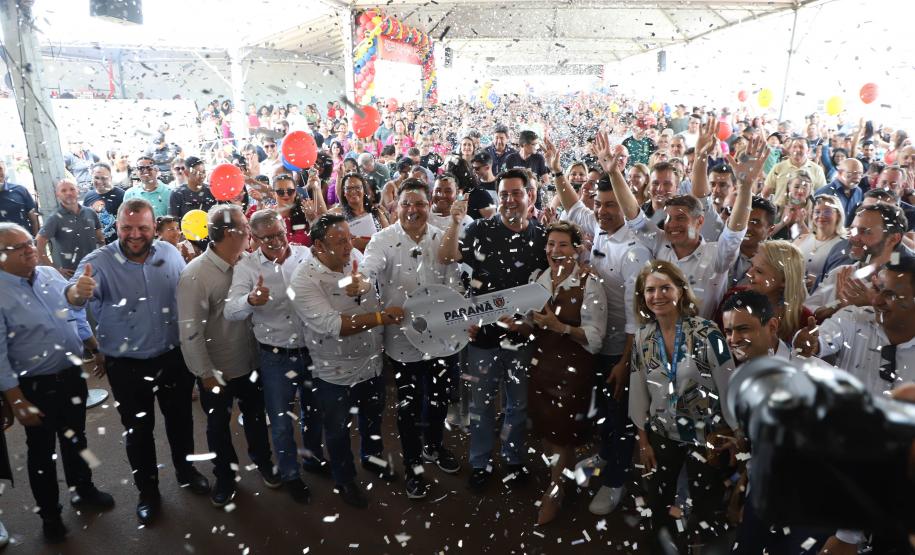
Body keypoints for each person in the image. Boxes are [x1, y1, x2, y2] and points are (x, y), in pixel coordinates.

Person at [66, 198, 209, 526]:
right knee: (138, 432)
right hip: (126, 366)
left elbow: (186, 298)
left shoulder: (170, 253)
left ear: (154, 227)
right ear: (116, 226)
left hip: (173, 358)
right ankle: (148, 491)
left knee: (181, 421)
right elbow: (72, 300)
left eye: (142, 228)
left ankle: (186, 471)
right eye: (126, 227)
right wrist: (76, 293)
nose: (134, 234)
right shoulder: (97, 263)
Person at [548, 140, 651, 516]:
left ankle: (615, 482)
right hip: (593, 342)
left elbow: (636, 316)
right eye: (600, 205)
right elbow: (573, 206)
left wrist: (624, 362)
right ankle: (605, 460)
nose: (602, 211)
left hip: (619, 351)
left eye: (612, 205)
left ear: (625, 206)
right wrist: (557, 170)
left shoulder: (635, 250)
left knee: (620, 418)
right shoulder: (599, 229)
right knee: (601, 415)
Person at [0, 223, 114, 543]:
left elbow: (72, 309)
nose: (29, 249)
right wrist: (16, 399)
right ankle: (50, 514)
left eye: (29, 243)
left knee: (76, 438)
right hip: (34, 386)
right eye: (18, 247)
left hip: (71, 375)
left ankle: (84, 489)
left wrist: (93, 346)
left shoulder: (48, 275)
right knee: (42, 453)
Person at [795, 255, 915, 555]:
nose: (877, 300)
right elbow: (820, 340)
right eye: (877, 289)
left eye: (891, 294)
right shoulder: (853, 320)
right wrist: (807, 342)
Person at [439, 168, 548, 492]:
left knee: (517, 405)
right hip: (483, 338)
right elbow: (447, 257)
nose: (510, 200)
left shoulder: (542, 236)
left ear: (530, 196)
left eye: (516, 193)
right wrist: (456, 220)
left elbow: (548, 287)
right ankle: (480, 462)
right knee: (482, 405)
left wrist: (529, 321)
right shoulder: (481, 229)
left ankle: (514, 461)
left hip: (522, 338)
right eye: (504, 195)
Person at [356, 180, 462, 500]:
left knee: (440, 397)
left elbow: (455, 282)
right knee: (408, 405)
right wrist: (358, 282)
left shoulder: (442, 238)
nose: (412, 210)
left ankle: (434, 446)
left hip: (440, 336)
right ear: (395, 207)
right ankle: (414, 464)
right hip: (402, 340)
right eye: (406, 204)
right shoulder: (382, 240)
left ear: (429, 205)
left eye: (419, 203)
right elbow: (367, 271)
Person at [289, 214, 402, 509]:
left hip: (372, 360)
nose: (348, 246)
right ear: (317, 246)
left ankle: (372, 458)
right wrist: (380, 317)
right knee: (338, 429)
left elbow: (367, 285)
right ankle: (344, 479)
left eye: (349, 239)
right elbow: (334, 325)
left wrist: (364, 284)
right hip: (333, 371)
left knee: (372, 416)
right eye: (339, 242)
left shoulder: (352, 255)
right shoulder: (304, 279)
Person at [628, 261, 737, 551]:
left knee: (704, 501)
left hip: (707, 436)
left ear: (680, 290)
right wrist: (643, 443)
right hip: (662, 433)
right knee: (657, 497)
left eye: (666, 287)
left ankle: (699, 544)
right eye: (650, 289)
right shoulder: (641, 337)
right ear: (643, 296)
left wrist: (732, 435)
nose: (658, 295)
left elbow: (729, 386)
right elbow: (638, 393)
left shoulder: (709, 332)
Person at [177, 204, 278, 508]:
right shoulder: (195, 275)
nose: (250, 231)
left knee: (257, 417)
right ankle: (225, 476)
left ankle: (264, 462)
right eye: (246, 226)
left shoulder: (249, 262)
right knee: (218, 425)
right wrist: (205, 373)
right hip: (218, 369)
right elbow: (189, 331)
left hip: (252, 360)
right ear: (228, 233)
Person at [599, 130, 761, 318]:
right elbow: (634, 216)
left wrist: (746, 188)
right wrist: (614, 174)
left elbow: (734, 232)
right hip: (659, 340)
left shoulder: (717, 256)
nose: (672, 224)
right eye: (668, 218)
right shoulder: (661, 243)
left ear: (699, 221)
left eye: (681, 218)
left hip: (699, 344)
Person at [224, 209, 325, 503]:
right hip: (275, 357)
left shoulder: (305, 255)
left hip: (313, 350)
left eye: (279, 233)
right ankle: (291, 475)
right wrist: (250, 300)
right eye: (266, 237)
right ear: (253, 239)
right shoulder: (246, 267)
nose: (275, 241)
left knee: (314, 412)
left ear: (286, 229)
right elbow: (231, 310)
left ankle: (313, 458)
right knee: (280, 422)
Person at [520, 221, 607, 525]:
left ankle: (554, 492)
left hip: (572, 372)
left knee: (562, 437)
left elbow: (596, 337)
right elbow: (529, 325)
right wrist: (506, 322)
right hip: (542, 367)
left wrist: (563, 328)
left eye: (563, 245)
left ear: (576, 249)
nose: (555, 251)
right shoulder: (538, 279)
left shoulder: (589, 285)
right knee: (549, 432)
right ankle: (563, 478)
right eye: (551, 245)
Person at [805, 202, 906, 320]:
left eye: (866, 231)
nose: (853, 237)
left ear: (893, 239)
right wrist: (837, 305)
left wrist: (873, 305)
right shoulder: (841, 272)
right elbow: (807, 309)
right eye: (853, 229)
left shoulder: (906, 283)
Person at [36, 179, 104, 278]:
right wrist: (55, 270)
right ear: (57, 195)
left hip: (96, 269)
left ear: (78, 191)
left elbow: (101, 239)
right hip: (73, 275)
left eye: (72, 189)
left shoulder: (90, 212)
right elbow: (39, 245)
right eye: (63, 190)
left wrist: (102, 258)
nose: (68, 193)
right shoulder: (55, 218)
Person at [793, 194, 847, 290]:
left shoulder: (843, 245)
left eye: (827, 212)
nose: (821, 216)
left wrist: (818, 281)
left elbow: (839, 282)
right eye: (817, 212)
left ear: (838, 215)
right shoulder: (802, 238)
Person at [333, 172, 389, 251]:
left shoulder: (376, 212)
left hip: (378, 257)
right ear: (344, 192)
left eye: (357, 187)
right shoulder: (339, 215)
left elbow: (389, 239)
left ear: (364, 190)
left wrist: (364, 242)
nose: (353, 191)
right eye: (348, 188)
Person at [761, 137, 826, 202]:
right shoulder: (778, 168)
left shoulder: (817, 170)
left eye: (801, 147)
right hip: (779, 210)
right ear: (789, 150)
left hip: (806, 211)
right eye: (794, 147)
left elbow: (822, 196)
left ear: (808, 150)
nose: (797, 149)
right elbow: (765, 193)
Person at [815, 158, 864, 226]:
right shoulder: (824, 193)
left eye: (860, 174)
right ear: (840, 173)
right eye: (853, 173)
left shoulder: (858, 192)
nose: (857, 178)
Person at [83, 163, 124, 243]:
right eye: (96, 178)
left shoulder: (122, 195)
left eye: (104, 178)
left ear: (111, 178)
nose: (99, 181)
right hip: (95, 245)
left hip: (116, 246)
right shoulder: (88, 196)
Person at [0, 159, 40, 234]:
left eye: (0, 169)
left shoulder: (20, 190)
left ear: (4, 170)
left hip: (24, 242)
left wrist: (36, 242)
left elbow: (34, 220)